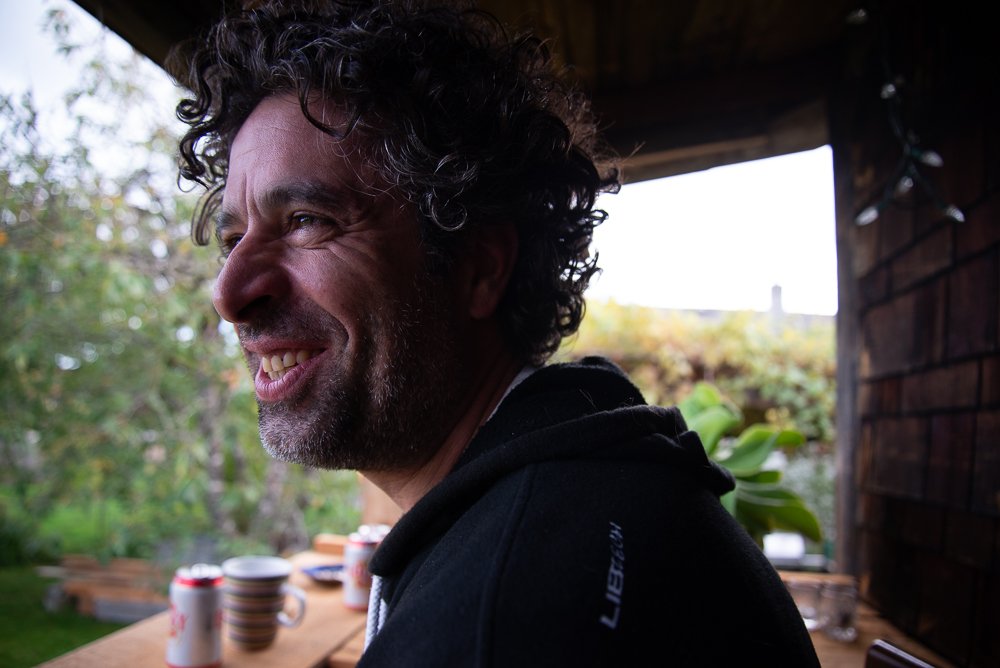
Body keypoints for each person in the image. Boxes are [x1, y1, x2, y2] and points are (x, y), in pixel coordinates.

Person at [172, 1, 820, 665]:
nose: (229, 293)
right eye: (232, 237)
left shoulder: (490, 627)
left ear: (479, 267)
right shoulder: (598, 473)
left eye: (307, 220)